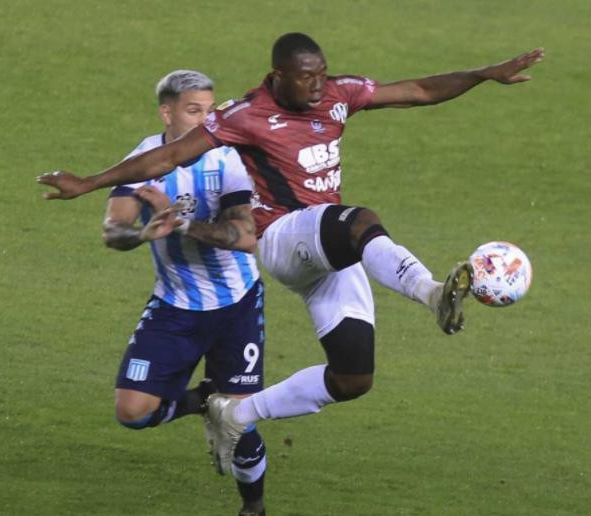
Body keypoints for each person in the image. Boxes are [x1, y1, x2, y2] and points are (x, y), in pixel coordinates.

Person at [38, 34, 545, 476]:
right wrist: (89, 183)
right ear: (278, 77)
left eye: (323, 75)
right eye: (308, 79)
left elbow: (417, 90)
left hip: (328, 251)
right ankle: (433, 293)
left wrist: (482, 74)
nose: (319, 86)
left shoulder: (339, 95)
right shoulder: (246, 115)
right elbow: (168, 155)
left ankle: (235, 414)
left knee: (353, 378)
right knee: (358, 218)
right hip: (283, 236)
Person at [102, 70, 267, 516]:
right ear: (167, 112)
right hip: (175, 305)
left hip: (236, 305)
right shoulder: (143, 159)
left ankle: (254, 507)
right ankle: (202, 402)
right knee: (132, 410)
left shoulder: (227, 156)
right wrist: (139, 235)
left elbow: (246, 234)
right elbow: (114, 229)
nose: (206, 121)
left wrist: (182, 224)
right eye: (195, 111)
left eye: (210, 111)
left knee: (242, 420)